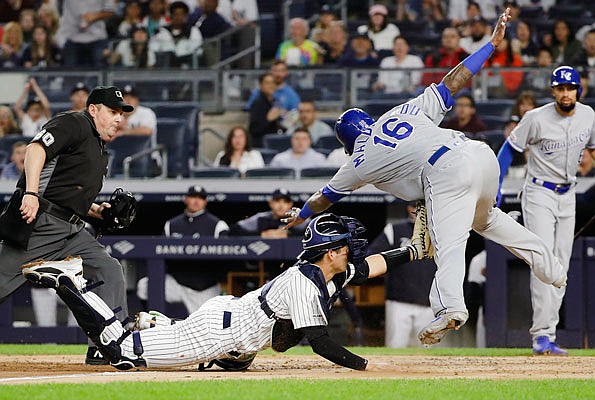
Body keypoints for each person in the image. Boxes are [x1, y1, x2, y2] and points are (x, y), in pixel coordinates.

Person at [284, 9, 568, 346]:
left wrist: (300, 214)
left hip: (446, 173)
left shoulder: (358, 160)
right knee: (488, 220)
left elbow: (324, 198)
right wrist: (489, 47)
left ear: (347, 142)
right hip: (479, 154)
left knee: (449, 244)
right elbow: (453, 81)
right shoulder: (401, 110)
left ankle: (450, 307)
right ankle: (552, 268)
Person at [21, 213, 426, 371]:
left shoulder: (329, 272)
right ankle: (71, 279)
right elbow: (319, 342)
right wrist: (366, 366)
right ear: (331, 253)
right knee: (122, 354)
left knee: (233, 367)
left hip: (237, 333)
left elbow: (373, 265)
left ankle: (156, 326)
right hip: (218, 332)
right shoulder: (306, 282)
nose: (352, 253)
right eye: (346, 248)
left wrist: (412, 250)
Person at [0, 86, 133, 365]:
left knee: (109, 271)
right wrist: (31, 193)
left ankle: (106, 345)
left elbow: (71, 196)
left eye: (121, 113)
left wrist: (100, 212)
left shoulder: (99, 146)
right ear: (94, 109)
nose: (118, 119)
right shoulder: (73, 123)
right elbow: (35, 150)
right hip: (40, 223)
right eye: (112, 112)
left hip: (72, 230)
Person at [496, 65, 595, 355]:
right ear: (552, 91)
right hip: (539, 191)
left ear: (579, 89)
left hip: (568, 194)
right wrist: (498, 183)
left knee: (561, 266)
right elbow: (509, 148)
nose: (565, 93)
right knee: (543, 259)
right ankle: (540, 334)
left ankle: (547, 334)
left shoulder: (589, 115)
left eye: (570, 88)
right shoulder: (535, 118)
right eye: (560, 88)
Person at [137, 185, 230, 315]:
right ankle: (153, 322)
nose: (196, 201)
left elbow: (227, 257)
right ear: (186, 199)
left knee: (204, 326)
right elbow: (158, 250)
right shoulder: (171, 224)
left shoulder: (218, 225)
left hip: (205, 287)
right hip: (177, 282)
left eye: (200, 198)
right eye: (193, 197)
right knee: (144, 286)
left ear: (205, 201)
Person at [367, 203, 443, 348]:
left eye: (421, 205)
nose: (416, 209)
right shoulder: (394, 230)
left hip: (429, 303)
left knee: (426, 351)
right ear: (407, 207)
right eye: (413, 205)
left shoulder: (439, 232)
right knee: (396, 346)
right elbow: (372, 257)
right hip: (398, 302)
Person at [57, 0, 116, 68]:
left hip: (96, 38)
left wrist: (95, 16)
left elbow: (111, 10)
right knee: (70, 74)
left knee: (99, 73)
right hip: (72, 37)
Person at [231, 188, 308, 238]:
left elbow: (314, 230)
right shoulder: (261, 218)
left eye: (285, 202)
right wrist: (261, 235)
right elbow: (235, 229)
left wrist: (289, 235)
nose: (281, 206)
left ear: (290, 204)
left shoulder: (298, 217)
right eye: (277, 201)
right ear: (271, 203)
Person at [149, 1, 203, 68]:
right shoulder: (160, 32)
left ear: (186, 16)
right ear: (171, 16)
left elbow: (198, 51)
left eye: (181, 14)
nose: (178, 17)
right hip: (165, 70)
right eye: (176, 14)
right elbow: (153, 50)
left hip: (187, 69)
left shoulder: (193, 31)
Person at [248, 73, 283, 147]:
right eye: (267, 83)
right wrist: (268, 119)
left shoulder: (274, 102)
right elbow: (253, 129)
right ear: (261, 86)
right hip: (261, 145)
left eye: (273, 83)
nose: (271, 86)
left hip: (273, 143)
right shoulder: (258, 103)